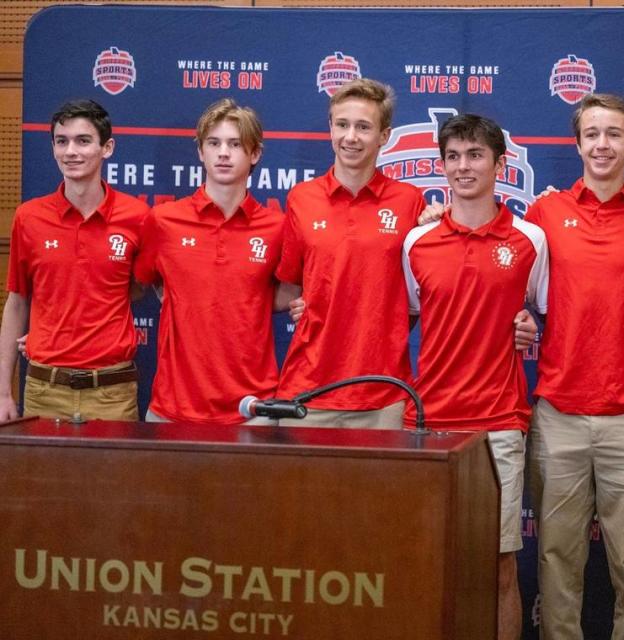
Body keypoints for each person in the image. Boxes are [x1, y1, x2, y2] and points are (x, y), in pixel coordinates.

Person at [524, 93, 624, 640]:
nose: (602, 144)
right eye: (592, 134)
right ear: (578, 142)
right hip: (559, 412)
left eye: (613, 134)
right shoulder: (544, 213)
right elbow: (502, 285)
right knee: (557, 560)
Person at [402, 114, 548, 640]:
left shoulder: (531, 239)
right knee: (429, 567)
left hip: (500, 425)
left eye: (476, 155)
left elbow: (552, 314)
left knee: (500, 569)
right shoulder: (415, 244)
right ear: (443, 165)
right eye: (455, 157)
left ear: (499, 164)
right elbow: (413, 313)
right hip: (430, 423)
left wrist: (529, 323)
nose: (464, 167)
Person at [274, 78, 425, 427]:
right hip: (308, 390)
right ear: (330, 127)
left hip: (383, 394)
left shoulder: (409, 202)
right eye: (342, 125)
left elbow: (421, 296)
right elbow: (290, 290)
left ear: (384, 135)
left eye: (363, 127)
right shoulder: (301, 198)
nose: (351, 137)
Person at [134, 98, 285, 425]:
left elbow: (290, 291)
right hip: (173, 408)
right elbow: (138, 283)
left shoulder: (277, 227)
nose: (223, 153)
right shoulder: (163, 221)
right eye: (214, 143)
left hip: (253, 408)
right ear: (200, 151)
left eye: (235, 144)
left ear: (255, 154)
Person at [0, 99, 146, 422]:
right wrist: (2, 393)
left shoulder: (137, 217)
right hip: (43, 390)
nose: (71, 152)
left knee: (115, 476)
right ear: (53, 148)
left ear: (107, 148)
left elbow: (139, 287)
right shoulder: (28, 217)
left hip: (113, 393)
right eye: (62, 141)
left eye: (83, 141)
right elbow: (17, 303)